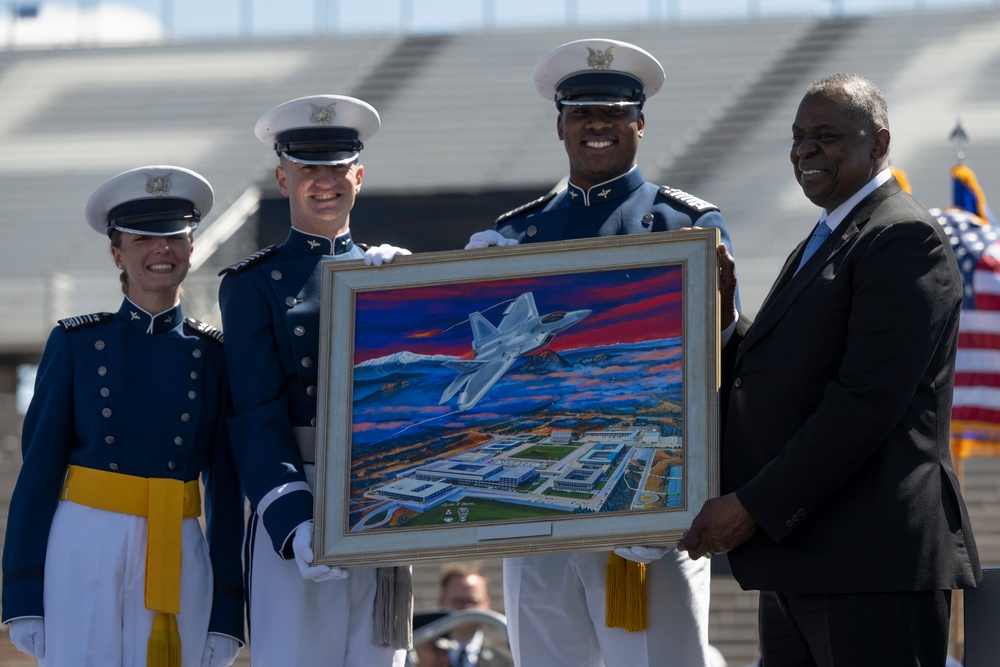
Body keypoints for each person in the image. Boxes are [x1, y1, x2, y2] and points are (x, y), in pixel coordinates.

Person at [678, 73, 982, 666]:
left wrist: (751, 507)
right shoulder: (829, 234)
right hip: (804, 561)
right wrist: (724, 314)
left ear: (879, 142)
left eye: (825, 135)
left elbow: (863, 404)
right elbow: (777, 373)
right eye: (797, 137)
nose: (804, 150)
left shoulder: (902, 236)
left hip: (871, 565)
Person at [466, 38, 738, 667]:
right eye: (582, 113)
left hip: (650, 515)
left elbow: (725, 363)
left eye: (614, 113)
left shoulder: (686, 227)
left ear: (639, 123)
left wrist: (720, 309)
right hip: (532, 512)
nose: (597, 125)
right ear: (560, 124)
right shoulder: (512, 236)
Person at [1, 166, 245, 666]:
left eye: (175, 237)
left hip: (177, 543)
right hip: (86, 541)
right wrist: (23, 594)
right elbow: (38, 474)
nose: (163, 250)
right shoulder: (76, 345)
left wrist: (226, 609)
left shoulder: (215, 354)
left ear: (193, 247)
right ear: (117, 254)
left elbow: (225, 487)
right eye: (144, 239)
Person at [218, 95, 411, 667]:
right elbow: (255, 416)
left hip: (385, 489)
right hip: (298, 499)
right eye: (308, 168)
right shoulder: (254, 285)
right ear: (283, 178)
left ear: (359, 175)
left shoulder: (395, 271)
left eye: (337, 167)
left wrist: (418, 286)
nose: (323, 181)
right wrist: (293, 520)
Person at [437, 564, 512, 667]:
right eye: (458, 602)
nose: (467, 609)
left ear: (487, 605)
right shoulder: (420, 658)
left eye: (473, 602)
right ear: (441, 604)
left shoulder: (507, 661)